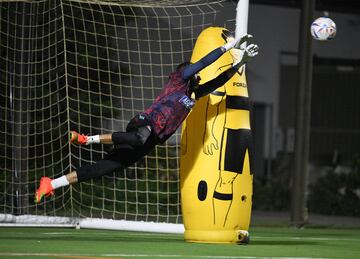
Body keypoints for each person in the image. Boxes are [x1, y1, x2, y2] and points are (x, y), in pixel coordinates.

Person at [35, 33, 259, 203]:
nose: (198, 74)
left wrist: (239, 64)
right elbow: (203, 63)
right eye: (193, 71)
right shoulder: (179, 79)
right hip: (145, 123)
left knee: (106, 167)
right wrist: (229, 46)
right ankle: (86, 139)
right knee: (140, 138)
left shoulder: (193, 93)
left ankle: (51, 183)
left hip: (152, 138)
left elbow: (217, 81)